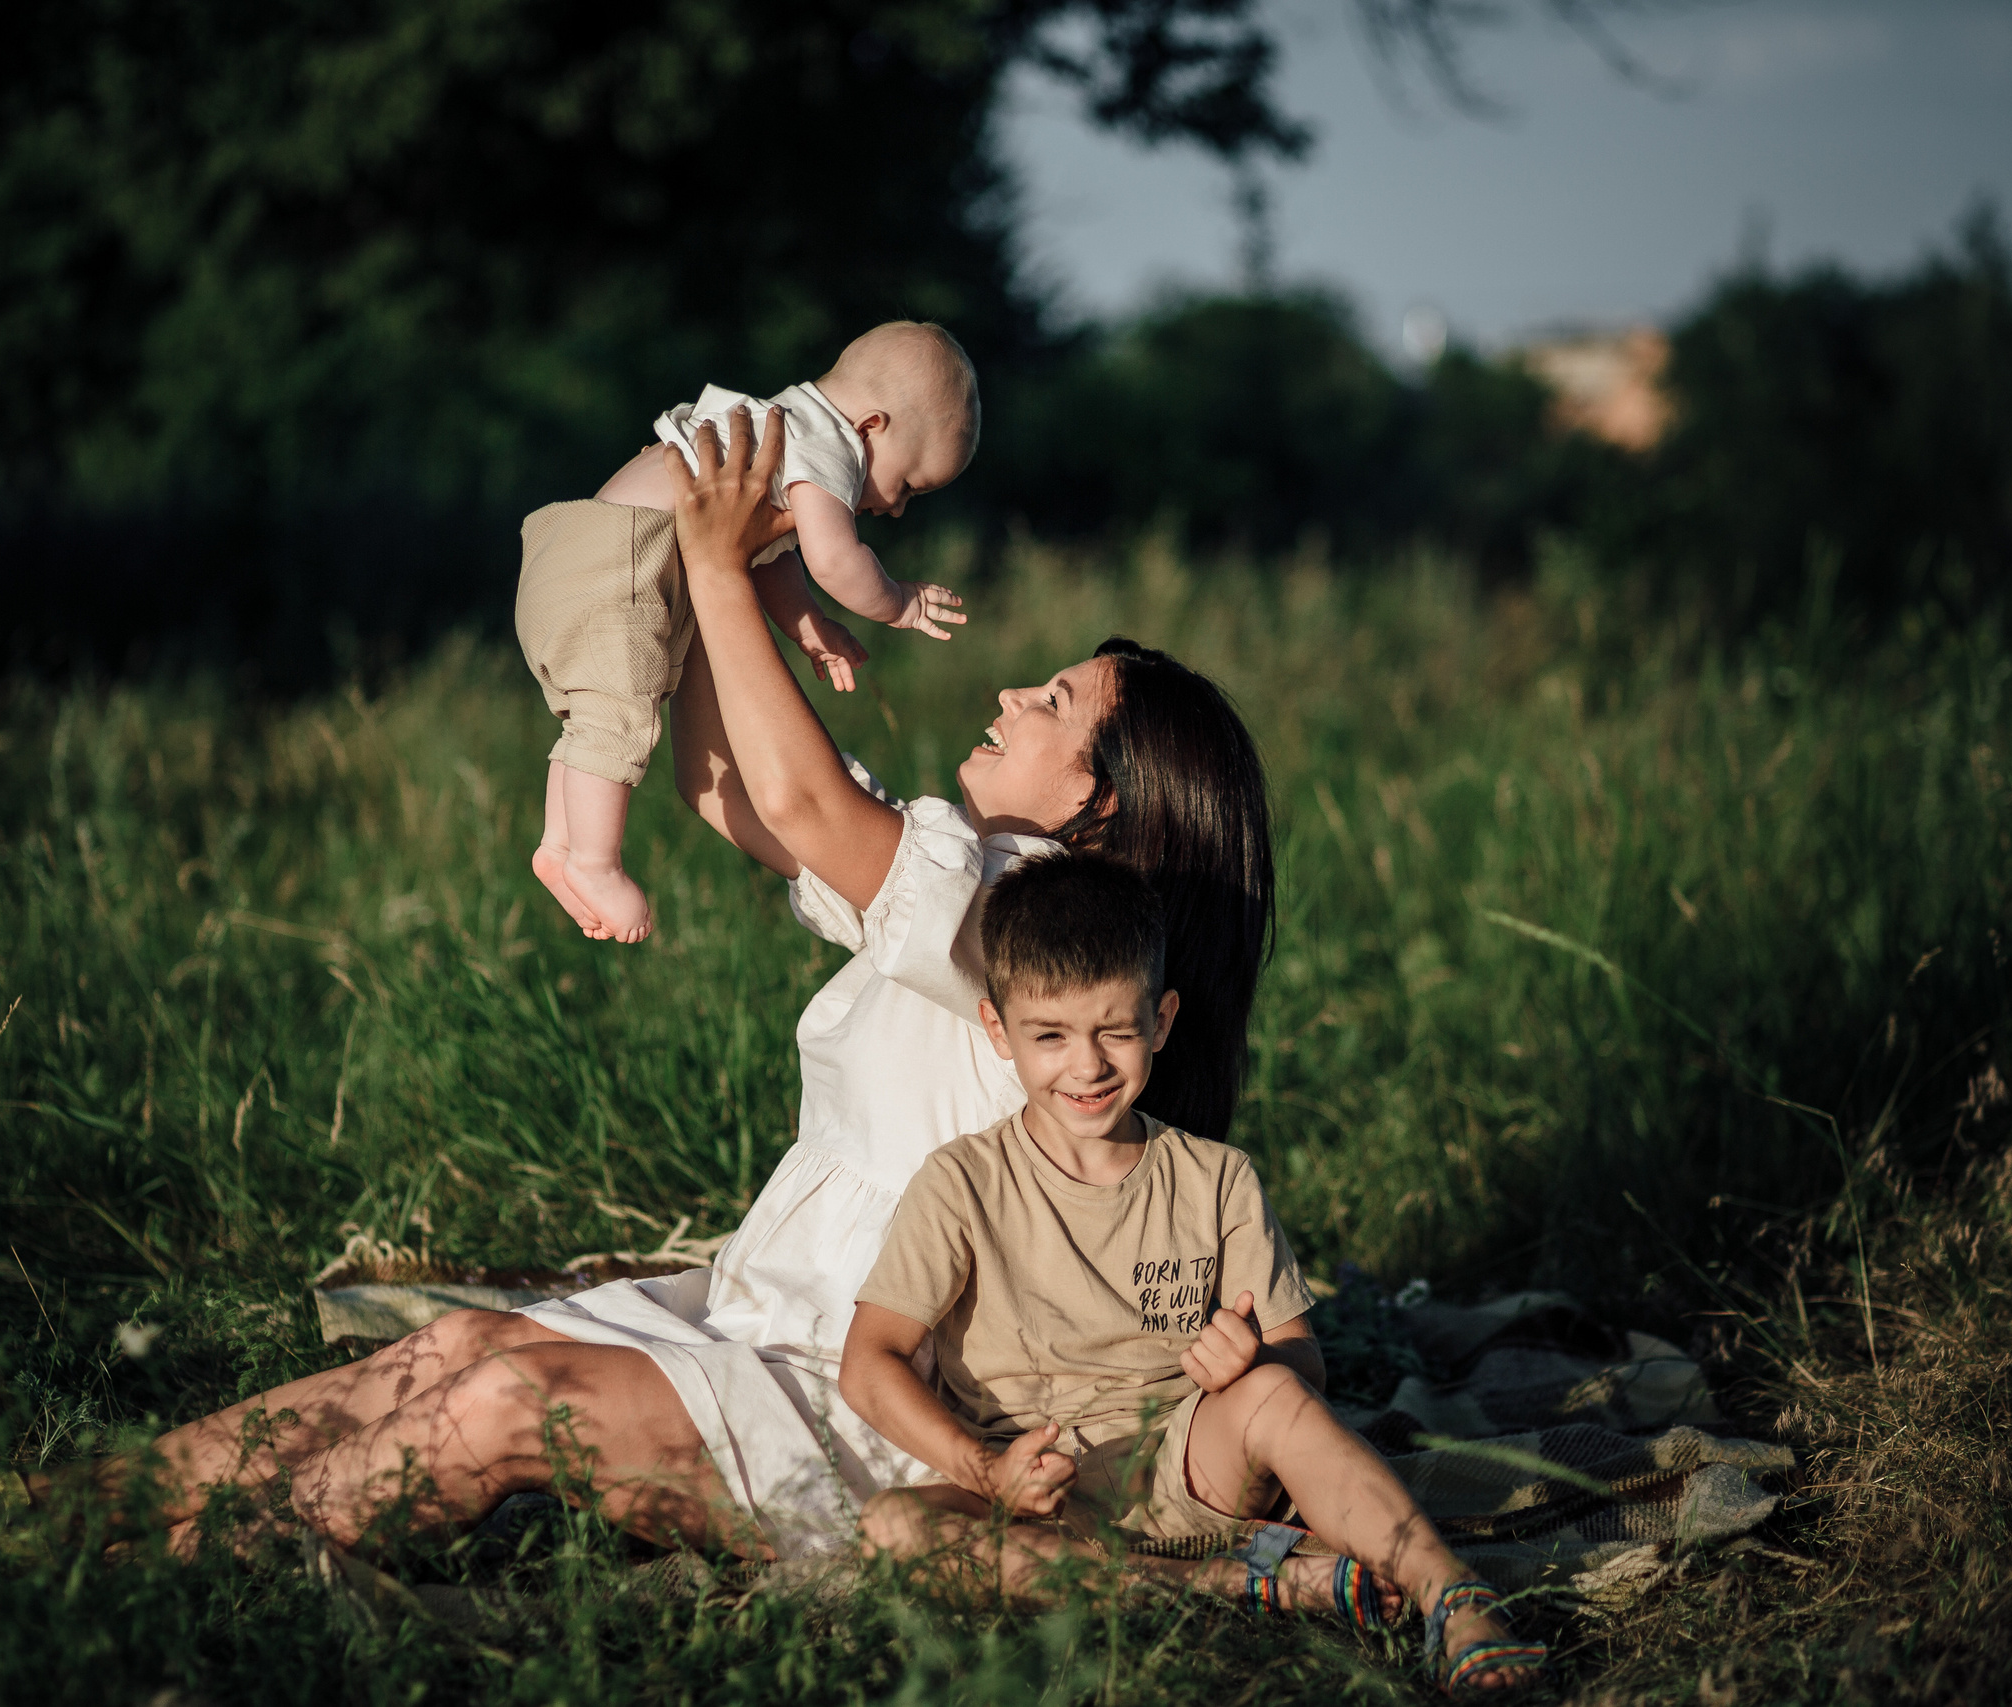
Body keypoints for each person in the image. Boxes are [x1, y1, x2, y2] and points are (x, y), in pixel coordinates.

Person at [103, 402, 1277, 1574]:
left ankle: (169, 1577)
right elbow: (742, 798)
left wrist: (721, 568)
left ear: (1104, 806)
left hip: (874, 1405)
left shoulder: (1043, 925)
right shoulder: (974, 881)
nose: (1015, 695)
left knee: (510, 1399)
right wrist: (746, 567)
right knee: (455, 1345)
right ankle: (66, 1501)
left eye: (1055, 706)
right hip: (763, 1315)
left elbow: (808, 805)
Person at [841, 852, 1547, 1693]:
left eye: (1116, 1029)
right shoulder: (961, 1183)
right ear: (999, 1030)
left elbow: (1301, 1368)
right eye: (1051, 1036)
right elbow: (869, 1361)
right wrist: (982, 1469)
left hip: (1189, 1467)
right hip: (1027, 1494)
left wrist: (1251, 1366)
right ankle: (1250, 1583)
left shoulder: (1216, 1178)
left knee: (1275, 1398)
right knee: (892, 1529)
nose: (1088, 1065)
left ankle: (1454, 1598)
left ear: (1162, 1018)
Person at [520, 321, 974, 944]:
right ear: (872, 426)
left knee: (594, 713)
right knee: (618, 718)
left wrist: (810, 626)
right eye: (908, 486)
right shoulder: (825, 449)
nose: (895, 508)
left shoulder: (783, 434)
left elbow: (769, 559)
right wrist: (897, 602)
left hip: (575, 550)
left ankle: (561, 845)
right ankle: (596, 863)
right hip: (618, 555)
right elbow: (833, 559)